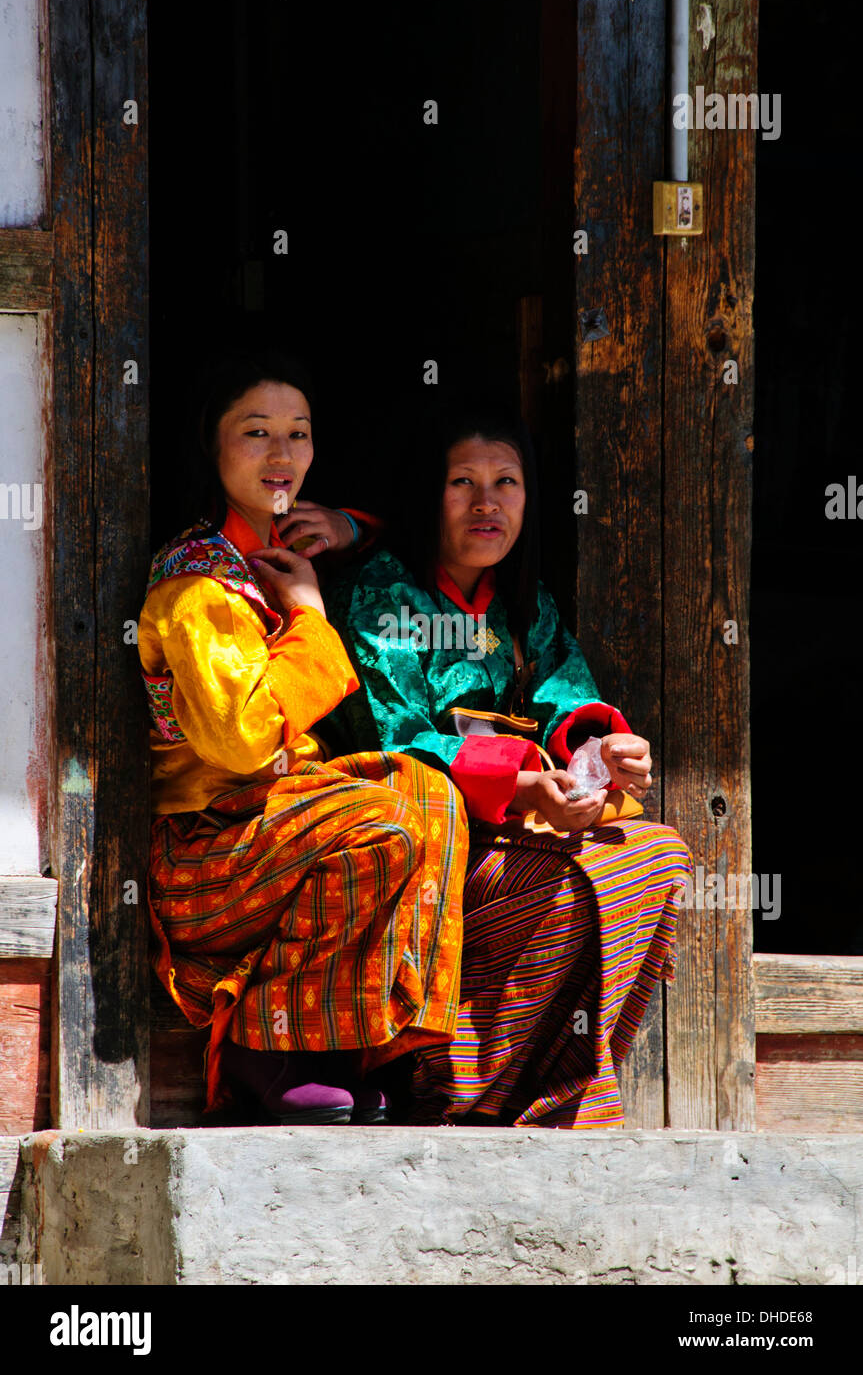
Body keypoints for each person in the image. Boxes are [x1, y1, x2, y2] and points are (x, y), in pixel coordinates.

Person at [323, 408, 693, 1128]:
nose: (486, 502)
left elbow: (568, 698)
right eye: (461, 482)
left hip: (511, 825)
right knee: (562, 880)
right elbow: (396, 741)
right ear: (427, 494)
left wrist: (601, 756)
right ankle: (447, 1082)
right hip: (419, 847)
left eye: (506, 482)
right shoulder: (380, 594)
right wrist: (521, 783)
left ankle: (558, 1091)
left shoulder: (526, 604)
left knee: (658, 855)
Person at [138, 350, 467, 1124]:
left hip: (272, 829)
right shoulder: (197, 581)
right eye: (256, 433)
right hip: (205, 855)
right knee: (376, 827)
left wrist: (352, 526)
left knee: (429, 794)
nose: (282, 455)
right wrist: (311, 618)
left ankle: (392, 1042)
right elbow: (246, 741)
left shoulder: (273, 554)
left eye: (299, 433)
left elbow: (399, 529)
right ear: (211, 444)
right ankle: (266, 1052)